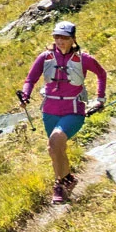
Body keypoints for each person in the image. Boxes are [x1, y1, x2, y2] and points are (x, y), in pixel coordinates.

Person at [17, 19, 108, 203]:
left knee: (55, 140)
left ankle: (58, 185)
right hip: (49, 110)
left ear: (73, 39)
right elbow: (30, 79)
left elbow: (101, 74)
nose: (60, 41)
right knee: (55, 149)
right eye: (57, 37)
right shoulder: (45, 57)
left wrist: (100, 99)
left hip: (73, 110)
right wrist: (25, 95)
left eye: (64, 37)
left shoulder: (84, 59)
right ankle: (68, 179)